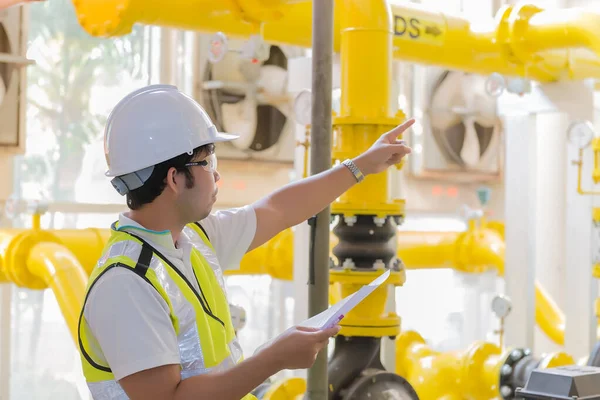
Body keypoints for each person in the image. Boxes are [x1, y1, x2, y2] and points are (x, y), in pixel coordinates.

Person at [77, 84, 414, 400]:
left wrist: (362, 166)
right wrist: (273, 358)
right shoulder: (126, 282)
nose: (217, 175)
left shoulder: (193, 238)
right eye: (208, 162)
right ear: (174, 178)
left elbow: (279, 209)